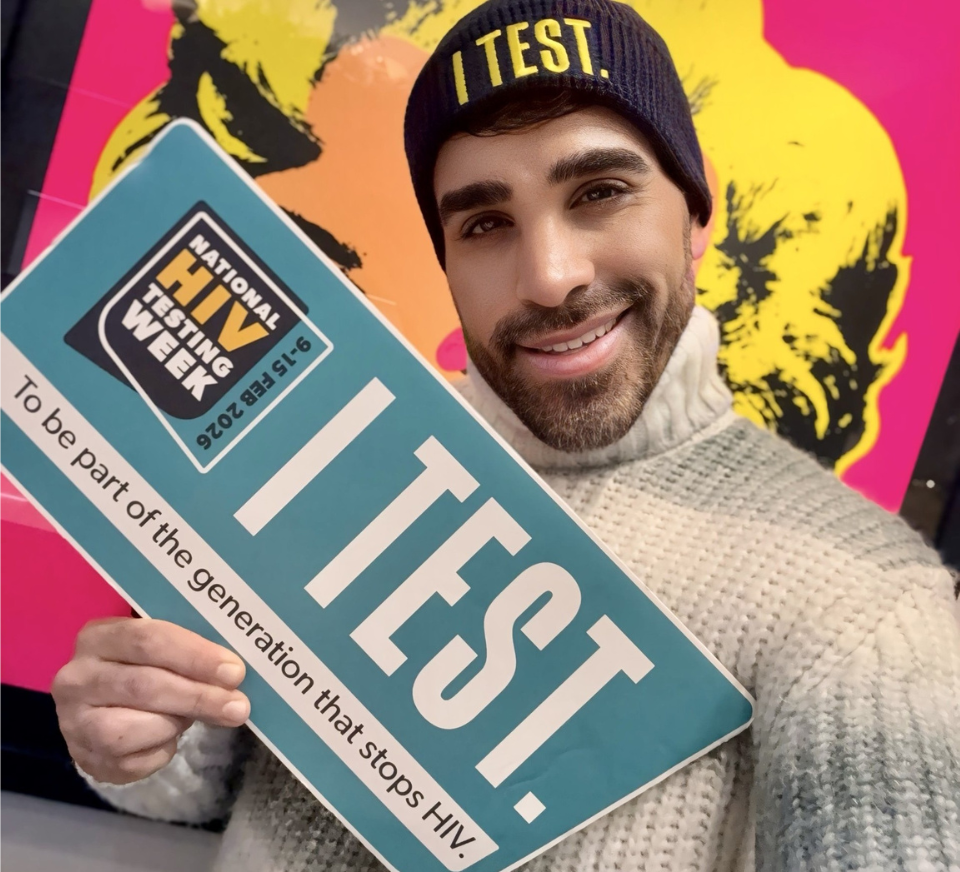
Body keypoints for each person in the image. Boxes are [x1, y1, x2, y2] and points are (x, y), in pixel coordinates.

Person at [51, 1, 960, 869]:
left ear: (694, 209)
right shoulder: (328, 447)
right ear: (444, 256)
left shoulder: (865, 604)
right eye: (486, 222)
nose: (551, 276)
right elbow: (190, 786)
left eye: (600, 191)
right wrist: (142, 738)